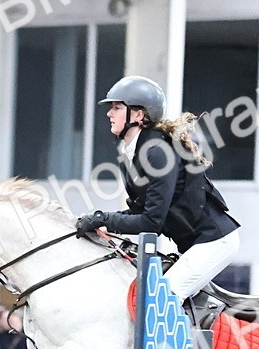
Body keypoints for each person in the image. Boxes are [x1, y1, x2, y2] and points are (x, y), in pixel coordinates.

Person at [75, 76, 240, 301]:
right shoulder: (131, 154)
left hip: (214, 241)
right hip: (194, 244)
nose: (109, 113)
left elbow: (152, 222)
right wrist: (99, 221)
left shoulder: (157, 153)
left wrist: (104, 219)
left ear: (139, 115)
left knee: (162, 298)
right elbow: (139, 213)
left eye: (116, 107)